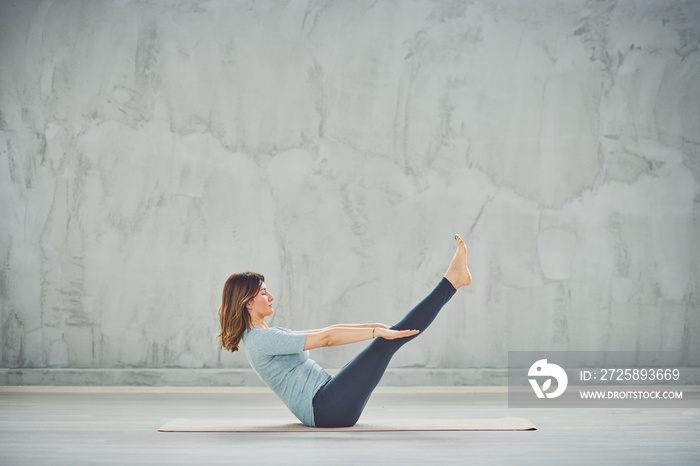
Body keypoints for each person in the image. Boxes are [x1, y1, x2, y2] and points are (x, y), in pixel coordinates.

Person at [216, 234, 472, 427]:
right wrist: (377, 334)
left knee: (387, 338)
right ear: (248, 302)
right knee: (387, 341)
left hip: (330, 399)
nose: (271, 296)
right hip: (327, 409)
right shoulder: (262, 340)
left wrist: (374, 328)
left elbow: (326, 330)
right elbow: (326, 339)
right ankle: (451, 282)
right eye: (263, 293)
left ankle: (452, 282)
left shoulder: (263, 334)